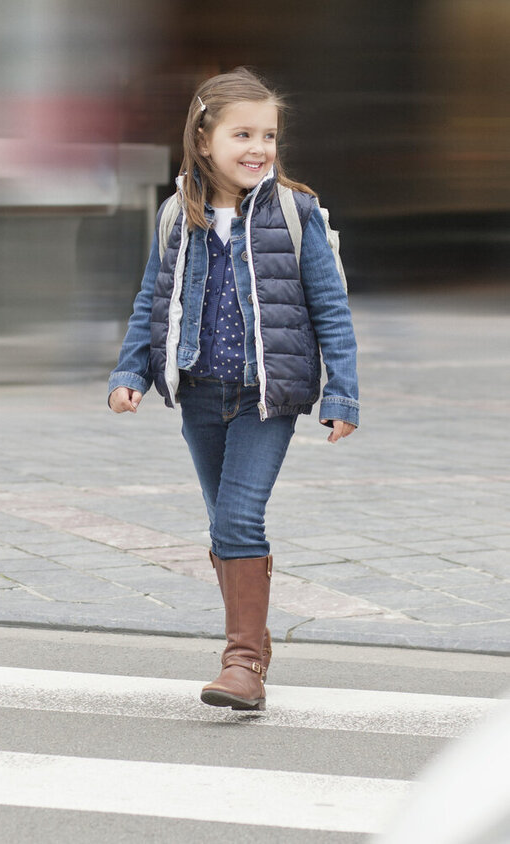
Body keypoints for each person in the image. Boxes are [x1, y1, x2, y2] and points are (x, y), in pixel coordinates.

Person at [107, 67, 359, 712]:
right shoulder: (177, 214)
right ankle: (248, 651)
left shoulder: (295, 212)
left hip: (267, 396)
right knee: (223, 524)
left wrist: (342, 394)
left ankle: (244, 663)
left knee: (240, 518)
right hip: (198, 392)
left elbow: (331, 309)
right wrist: (130, 372)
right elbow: (151, 301)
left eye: (268, 135)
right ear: (203, 138)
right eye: (242, 133)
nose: (259, 148)